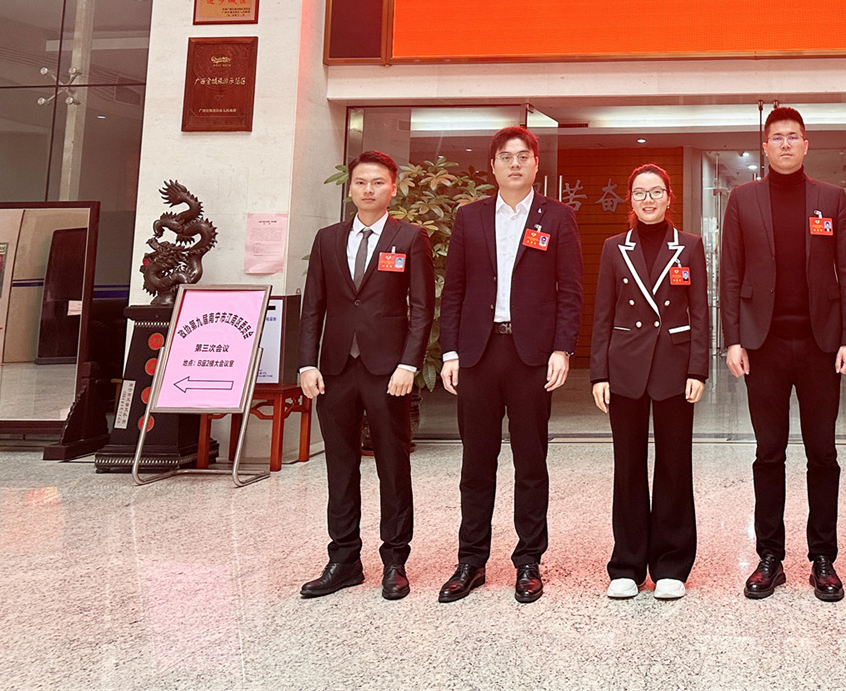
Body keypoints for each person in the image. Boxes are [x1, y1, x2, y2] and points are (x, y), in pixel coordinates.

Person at [721, 106, 846, 601]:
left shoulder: (831, 198)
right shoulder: (742, 199)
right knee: (768, 452)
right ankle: (770, 557)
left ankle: (823, 557)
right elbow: (730, 272)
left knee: (823, 452)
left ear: (806, 145)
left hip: (822, 345)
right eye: (776, 137)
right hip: (764, 346)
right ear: (765, 147)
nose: (785, 144)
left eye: (793, 137)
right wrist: (733, 339)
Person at [436, 126, 583, 604]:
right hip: (478, 354)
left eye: (523, 156)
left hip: (531, 356)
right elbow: (454, 290)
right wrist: (451, 352)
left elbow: (570, 290)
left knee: (530, 462)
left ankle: (528, 561)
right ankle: (471, 561)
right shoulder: (470, 216)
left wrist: (562, 349)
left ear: (536, 164)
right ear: (493, 165)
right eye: (505, 156)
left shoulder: (557, 217)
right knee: (476, 463)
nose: (515, 163)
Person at [297, 150, 434, 601]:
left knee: (393, 465)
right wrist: (307, 363)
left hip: (388, 371)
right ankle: (344, 560)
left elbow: (422, 308)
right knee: (340, 465)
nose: (368, 189)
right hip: (335, 369)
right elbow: (313, 306)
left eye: (378, 182)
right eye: (361, 182)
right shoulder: (328, 238)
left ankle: (395, 561)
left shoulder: (409, 237)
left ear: (393, 188)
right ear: (350, 188)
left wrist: (409, 364)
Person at [589, 164, 709, 601]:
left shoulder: (689, 246)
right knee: (628, 465)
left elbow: (700, 311)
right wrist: (599, 373)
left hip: (674, 367)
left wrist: (698, 369)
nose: (648, 199)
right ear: (631, 199)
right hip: (625, 366)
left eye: (656, 192)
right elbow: (603, 313)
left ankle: (672, 565)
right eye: (640, 193)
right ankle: (626, 564)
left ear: (669, 197)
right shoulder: (614, 247)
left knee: (675, 464)